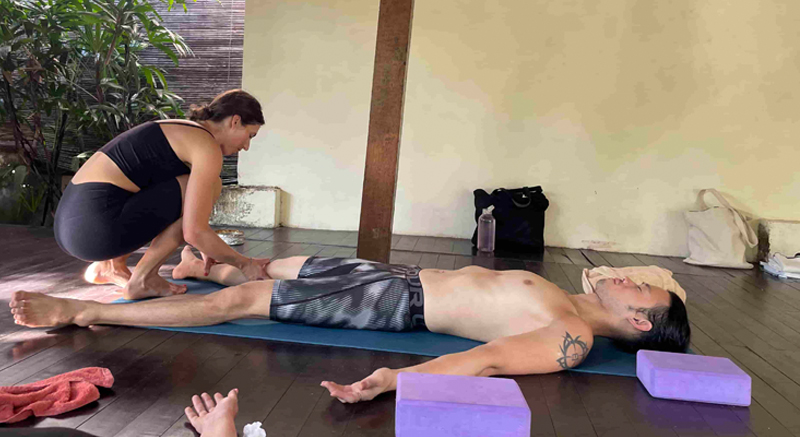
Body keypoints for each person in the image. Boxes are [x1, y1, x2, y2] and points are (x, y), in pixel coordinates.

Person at [10, 252, 691, 404]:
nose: (632, 273)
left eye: (643, 286)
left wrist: (392, 378)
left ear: (636, 318)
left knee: (242, 301)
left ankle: (86, 309)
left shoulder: (569, 336)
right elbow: (611, 271)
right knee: (265, 271)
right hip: (397, 277)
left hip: (392, 304)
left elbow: (486, 359)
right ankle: (209, 265)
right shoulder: (577, 297)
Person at [53, 89, 270, 300]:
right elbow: (193, 232)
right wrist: (245, 264)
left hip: (71, 224)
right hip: (93, 229)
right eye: (249, 135)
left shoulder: (183, 130)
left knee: (196, 186)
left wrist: (207, 244)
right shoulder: (206, 146)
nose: (246, 146)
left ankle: (110, 266)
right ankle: (143, 279)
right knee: (214, 185)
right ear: (234, 121)